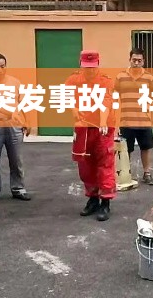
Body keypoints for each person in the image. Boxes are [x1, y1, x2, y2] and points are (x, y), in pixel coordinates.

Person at [65, 50, 116, 221]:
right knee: (85, 165)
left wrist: (102, 122)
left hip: (103, 129)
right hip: (83, 128)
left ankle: (105, 202)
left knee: (105, 163)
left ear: (98, 64)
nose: (90, 71)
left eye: (93, 67)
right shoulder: (73, 80)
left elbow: (106, 102)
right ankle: (93, 199)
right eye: (86, 67)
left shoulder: (105, 81)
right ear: (80, 64)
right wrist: (74, 110)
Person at [0, 53, 31, 202]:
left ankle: (18, 188)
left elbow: (22, 103)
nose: (0, 70)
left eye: (3, 66)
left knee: (16, 159)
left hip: (13, 126)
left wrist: (27, 121)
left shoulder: (14, 82)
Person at [114, 48, 153, 185]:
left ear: (143, 61)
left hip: (144, 120)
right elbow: (115, 94)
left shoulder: (149, 77)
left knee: (146, 148)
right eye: (134, 60)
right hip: (126, 120)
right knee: (126, 150)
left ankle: (147, 173)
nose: (136, 63)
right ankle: (126, 173)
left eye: (139, 60)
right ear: (130, 60)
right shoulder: (120, 76)